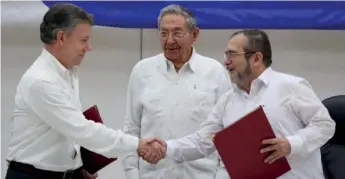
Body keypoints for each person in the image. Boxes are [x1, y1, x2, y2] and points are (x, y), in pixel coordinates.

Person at [142, 29, 336, 179]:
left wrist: (290, 144)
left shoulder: (291, 86)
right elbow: (203, 141)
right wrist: (166, 147)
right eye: (226, 55)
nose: (226, 62)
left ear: (257, 58)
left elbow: (325, 125)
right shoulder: (228, 100)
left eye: (232, 55)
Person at [5, 3, 165, 179]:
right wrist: (138, 145)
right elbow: (82, 130)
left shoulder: (68, 71)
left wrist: (77, 167)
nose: (88, 47)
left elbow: (67, 130)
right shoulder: (41, 81)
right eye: (83, 40)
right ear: (61, 38)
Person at [122, 4, 231, 179]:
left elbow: (227, 133)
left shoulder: (214, 72)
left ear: (194, 34)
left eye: (177, 33)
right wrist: (132, 173)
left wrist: (222, 175)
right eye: (163, 33)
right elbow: (131, 129)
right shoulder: (142, 71)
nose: (169, 40)